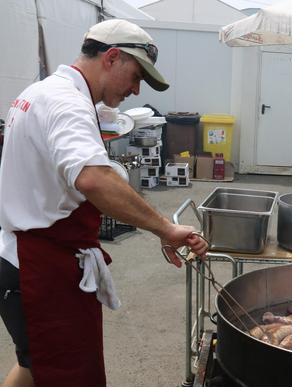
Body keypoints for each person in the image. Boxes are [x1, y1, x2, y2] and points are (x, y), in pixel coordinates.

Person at [0, 19, 208, 387]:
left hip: (22, 257)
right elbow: (94, 179)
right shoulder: (68, 103)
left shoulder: (43, 91)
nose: (136, 88)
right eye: (136, 75)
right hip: (40, 269)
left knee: (34, 365)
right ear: (112, 57)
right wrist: (165, 227)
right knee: (71, 376)